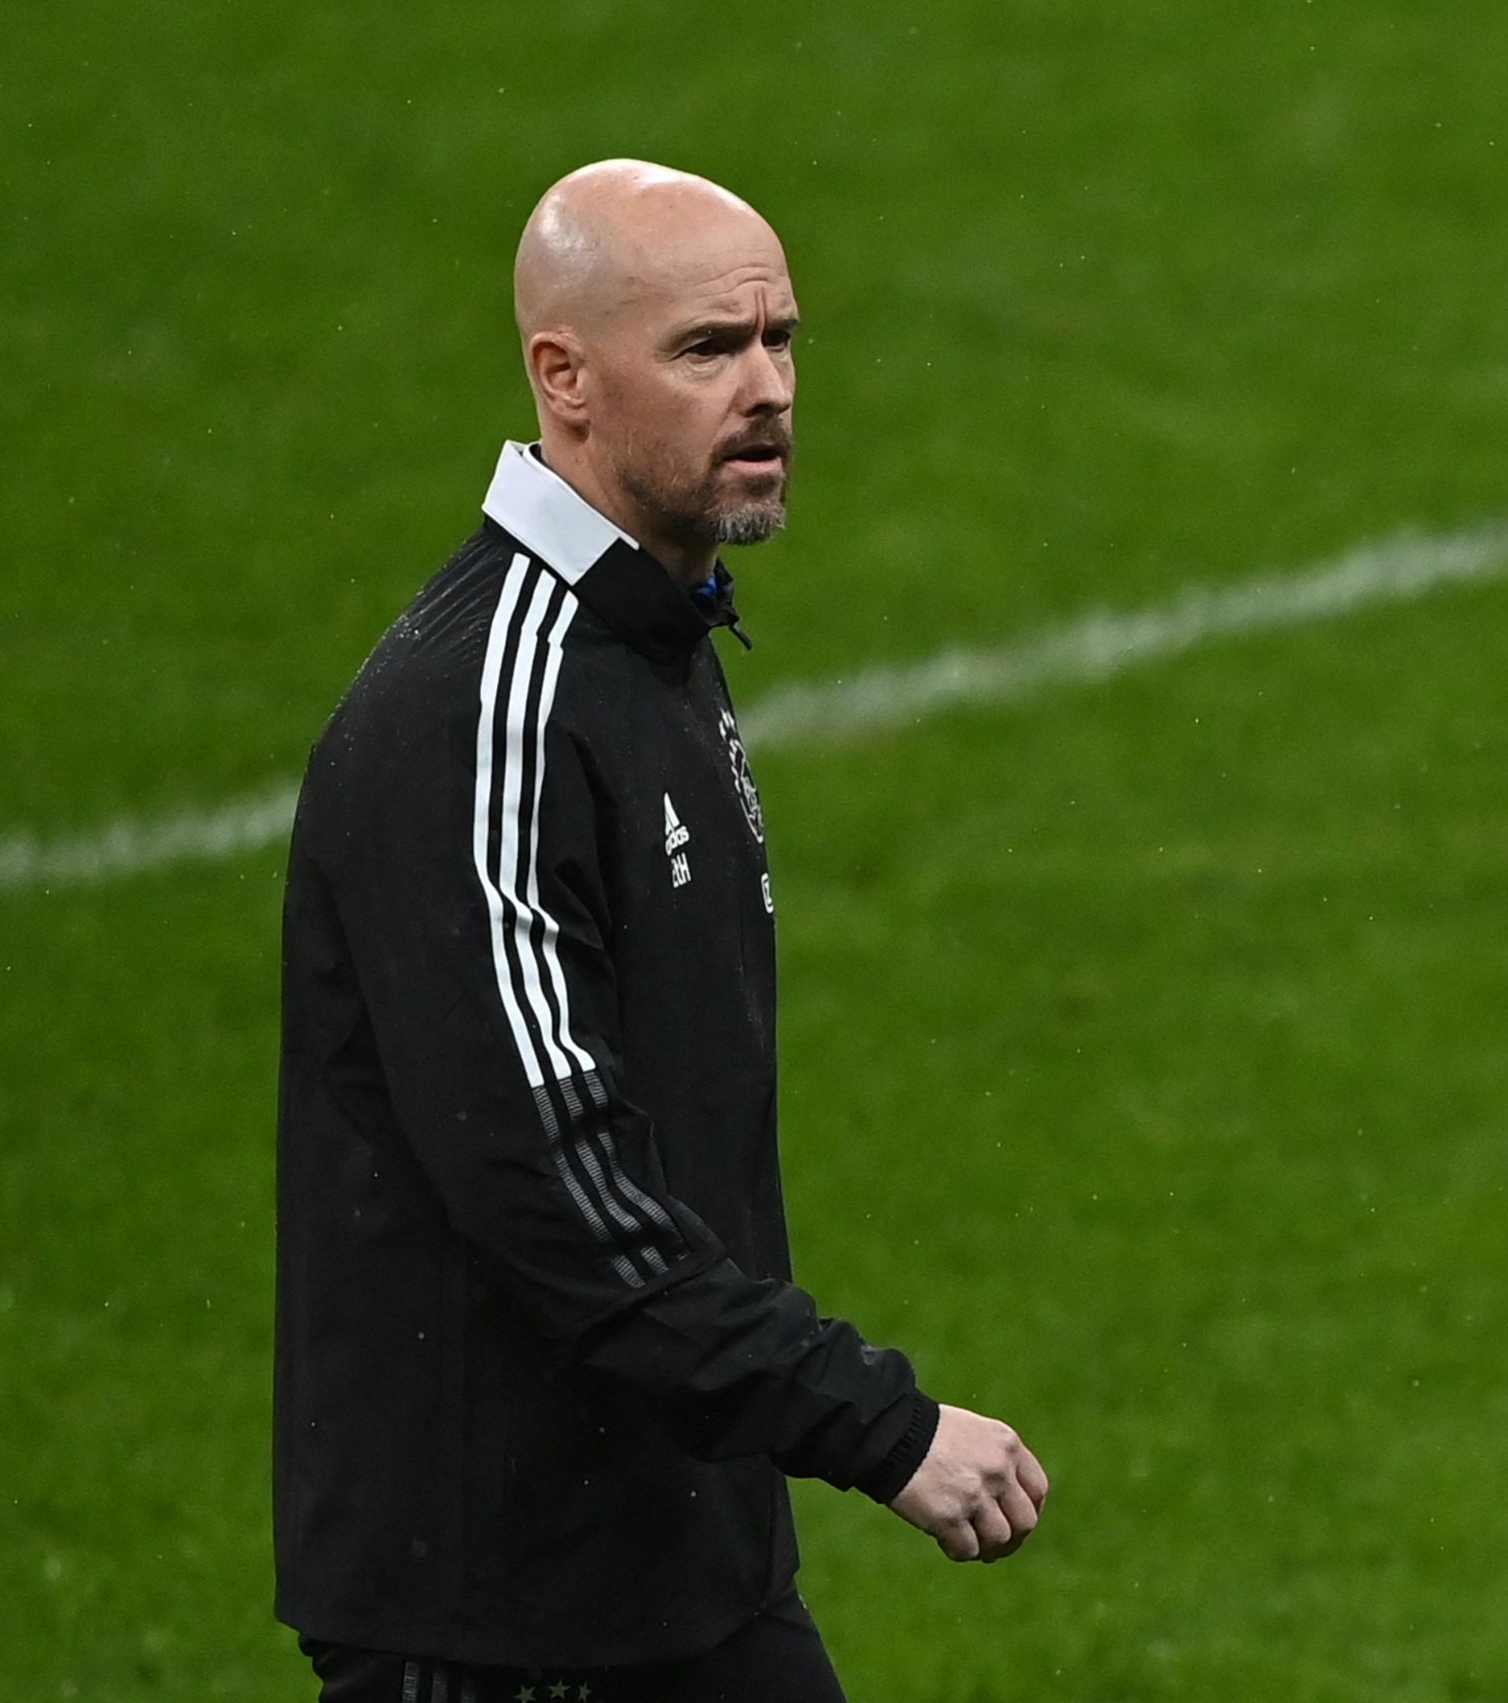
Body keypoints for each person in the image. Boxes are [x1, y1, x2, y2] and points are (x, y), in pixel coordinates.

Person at [272, 159, 1049, 1703]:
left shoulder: (655, 643)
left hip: (681, 1562)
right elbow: (550, 1180)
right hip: (498, 1611)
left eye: (780, 339)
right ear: (561, 376)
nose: (768, 389)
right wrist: (872, 1422)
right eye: (709, 350)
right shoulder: (484, 714)